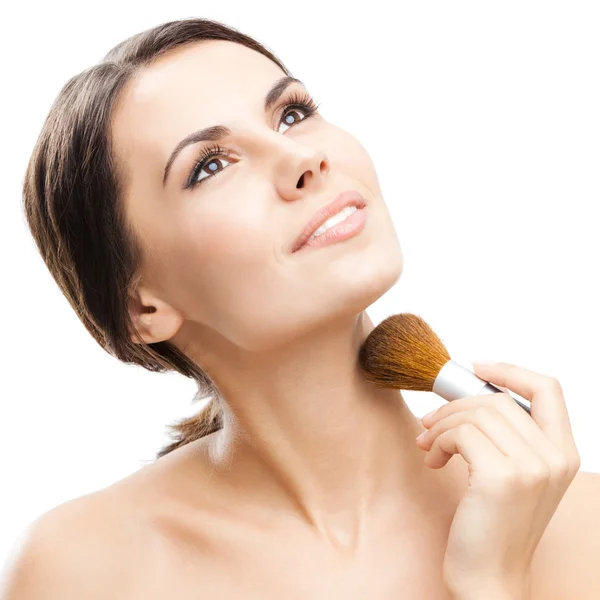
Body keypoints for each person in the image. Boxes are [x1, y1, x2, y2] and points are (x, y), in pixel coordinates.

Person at [3, 17, 599, 600]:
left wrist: (491, 584)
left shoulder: (582, 529)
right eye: (210, 165)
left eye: (292, 114)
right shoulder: (81, 572)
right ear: (142, 305)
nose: (301, 159)